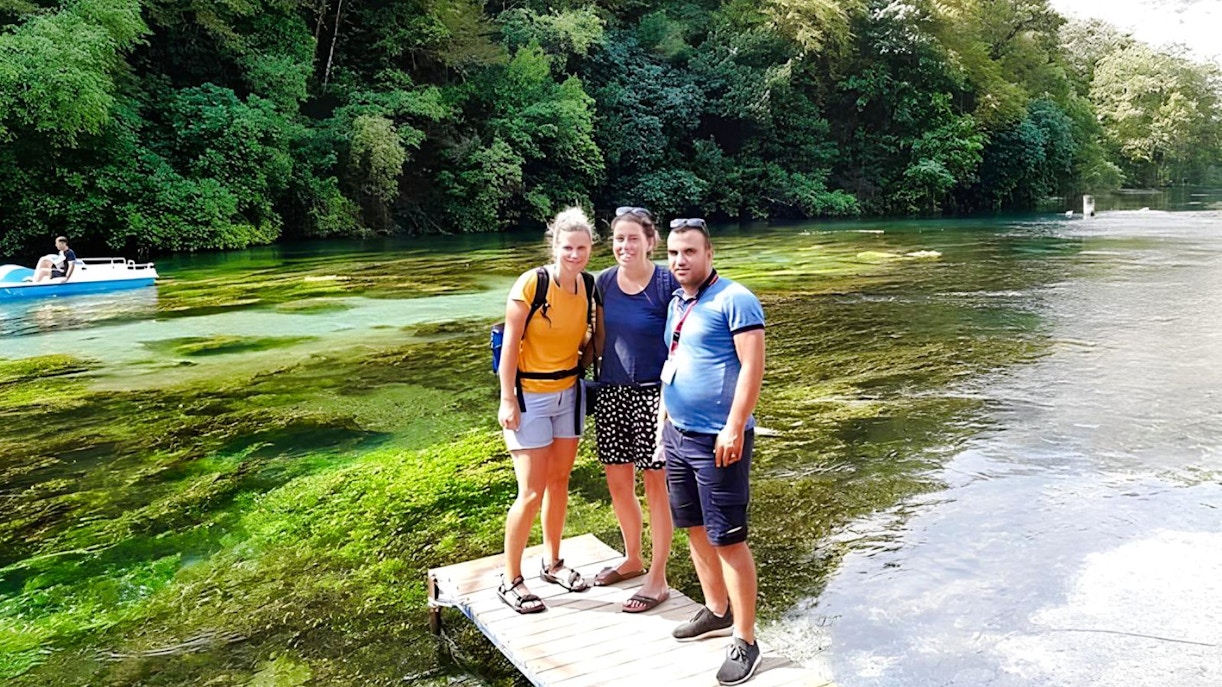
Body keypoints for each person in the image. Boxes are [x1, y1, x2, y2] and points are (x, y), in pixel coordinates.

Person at [660, 217, 766, 685]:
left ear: (709, 254)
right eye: (673, 254)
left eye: (689, 252)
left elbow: (751, 366)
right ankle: (716, 609)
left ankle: (745, 640)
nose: (680, 261)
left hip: (717, 439)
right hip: (677, 434)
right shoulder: (677, 301)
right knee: (694, 528)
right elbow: (677, 360)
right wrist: (665, 413)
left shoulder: (736, 299)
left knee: (728, 537)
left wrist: (734, 427)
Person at [496, 207, 598, 614]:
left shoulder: (588, 287)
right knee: (531, 491)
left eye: (582, 247)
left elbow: (586, 342)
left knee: (559, 482)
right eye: (567, 247)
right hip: (530, 396)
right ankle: (510, 579)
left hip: (569, 394)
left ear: (591, 248)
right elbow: (509, 346)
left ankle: (553, 563)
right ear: (554, 246)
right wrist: (507, 399)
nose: (574, 254)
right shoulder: (531, 285)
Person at [589, 206, 679, 613]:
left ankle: (657, 576)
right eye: (618, 239)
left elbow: (682, 339)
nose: (624, 246)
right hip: (611, 393)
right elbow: (599, 341)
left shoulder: (666, 282)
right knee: (618, 483)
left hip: (654, 396)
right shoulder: (603, 282)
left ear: (650, 241)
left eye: (633, 239)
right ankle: (632, 558)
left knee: (656, 486)